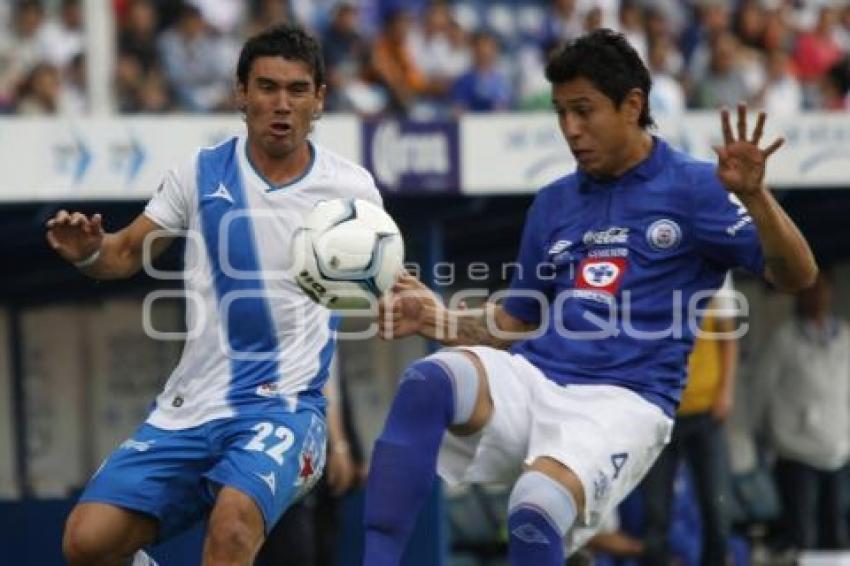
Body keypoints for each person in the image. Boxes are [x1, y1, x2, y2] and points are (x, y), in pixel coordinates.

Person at [362, 28, 817, 566]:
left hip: (624, 401)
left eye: (584, 110)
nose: (570, 130)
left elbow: (797, 276)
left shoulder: (695, 189)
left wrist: (756, 198)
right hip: (538, 378)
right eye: (560, 113)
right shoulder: (553, 203)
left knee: (533, 507)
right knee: (429, 381)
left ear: (632, 105)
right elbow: (515, 320)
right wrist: (439, 318)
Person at [50, 24, 382, 566]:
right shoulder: (199, 174)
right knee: (87, 543)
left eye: (297, 90)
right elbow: (126, 253)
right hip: (189, 410)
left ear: (319, 100)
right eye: (267, 87)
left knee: (232, 529)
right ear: (241, 94)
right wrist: (89, 251)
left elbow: (378, 287)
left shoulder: (350, 190)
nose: (281, 104)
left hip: (287, 410)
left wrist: (437, 316)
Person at [640, 275, 740, 565]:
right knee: (656, 512)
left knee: (717, 507)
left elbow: (728, 337)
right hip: (661, 412)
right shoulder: (651, 269)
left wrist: (726, 391)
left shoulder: (714, 269)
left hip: (706, 410)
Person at [754, 271, 850, 550]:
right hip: (795, 451)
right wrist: (766, 435)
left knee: (836, 529)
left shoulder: (845, 337)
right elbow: (761, 390)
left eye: (822, 290)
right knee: (802, 531)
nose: (817, 297)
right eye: (810, 291)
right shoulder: (783, 339)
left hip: (838, 449)